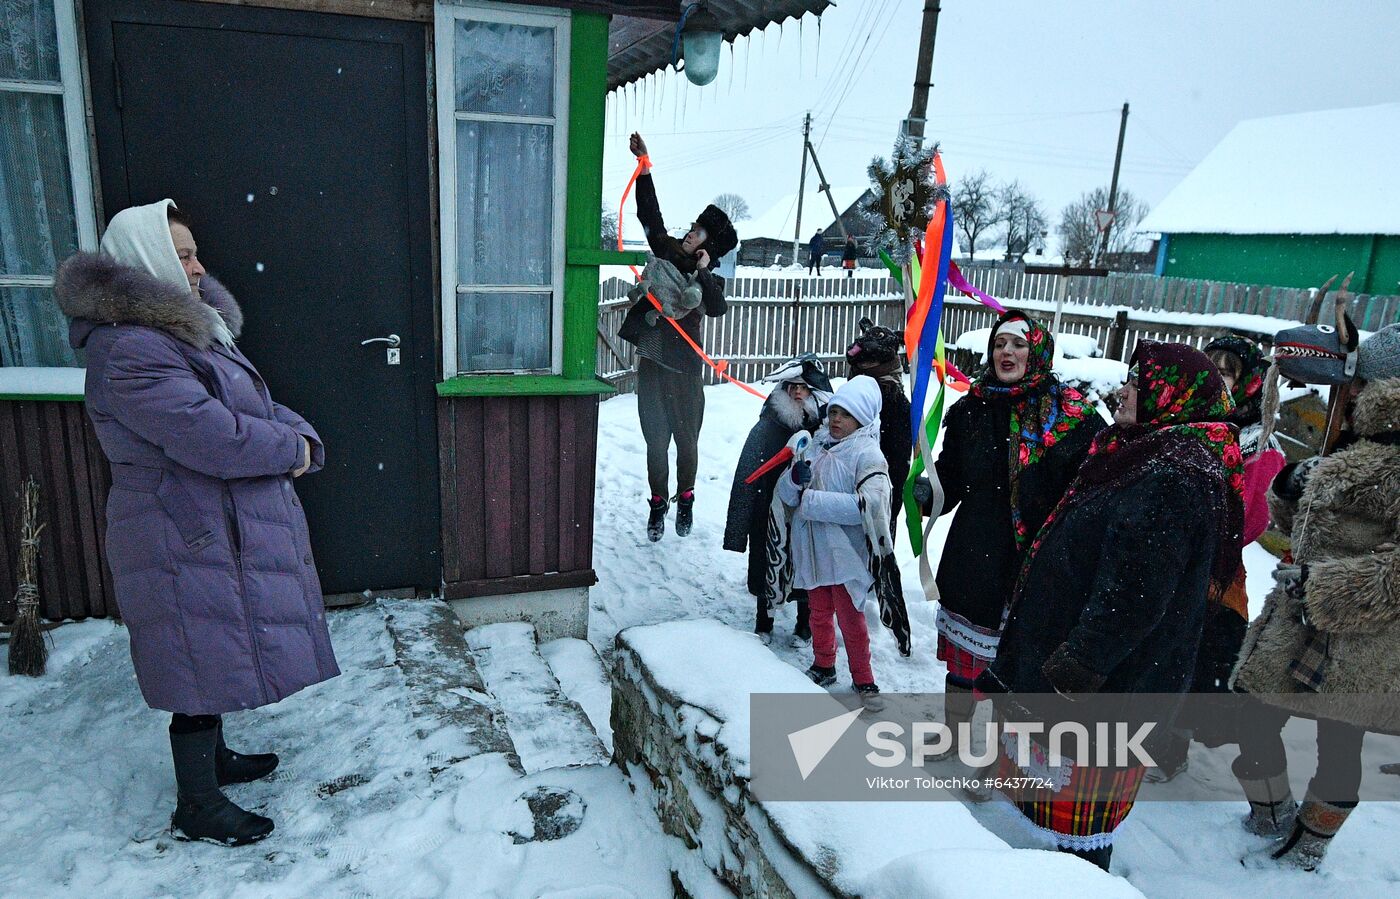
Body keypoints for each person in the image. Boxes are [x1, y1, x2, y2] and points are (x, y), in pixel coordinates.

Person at [55, 200, 338, 846]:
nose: (199, 267)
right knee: (191, 649)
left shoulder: (178, 332)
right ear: (147, 261)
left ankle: (214, 760)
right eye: (183, 255)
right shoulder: (129, 350)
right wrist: (290, 448)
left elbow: (251, 405)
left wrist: (298, 432)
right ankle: (198, 804)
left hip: (195, 523)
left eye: (194, 252)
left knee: (206, 644)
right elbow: (212, 436)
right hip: (176, 530)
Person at [977, 341, 1244, 872]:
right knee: (1060, 800)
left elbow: (1133, 596)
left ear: (1171, 398)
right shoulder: (1148, 449)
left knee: (1079, 815)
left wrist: (1077, 668)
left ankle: (1079, 882)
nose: (1122, 393)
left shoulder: (1174, 474)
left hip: (1107, 686)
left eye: (1137, 386)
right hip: (1101, 672)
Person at [1230, 324, 1400, 872]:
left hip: (1362, 635)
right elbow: (1305, 526)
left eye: (1359, 385)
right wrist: (1289, 490)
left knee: (1341, 743)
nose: (1345, 395)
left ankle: (1310, 844)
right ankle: (1272, 810)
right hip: (1300, 622)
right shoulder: (1351, 446)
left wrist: (1321, 584)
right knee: (1252, 720)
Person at [922, 311, 1103, 754]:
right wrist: (928, 492)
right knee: (964, 660)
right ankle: (955, 737)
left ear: (1037, 351)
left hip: (1037, 561)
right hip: (976, 549)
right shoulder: (971, 408)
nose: (1007, 352)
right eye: (1000, 344)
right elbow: (954, 478)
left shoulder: (1072, 416)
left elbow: (1092, 487)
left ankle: (999, 760)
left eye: (1018, 344)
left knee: (1017, 664)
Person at [1147, 335, 1287, 782]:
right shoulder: (1184, 419)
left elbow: (1251, 517)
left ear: (1248, 382)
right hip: (1166, 558)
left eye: (1228, 371)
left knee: (1192, 657)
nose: (1218, 378)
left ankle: (1171, 744)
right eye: (1212, 368)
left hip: (1214, 571)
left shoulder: (1257, 442)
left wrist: (1195, 535)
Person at [619, 133, 737, 542]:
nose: (691, 233)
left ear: (711, 248)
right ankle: (658, 504)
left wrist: (702, 270)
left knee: (686, 446)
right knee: (655, 443)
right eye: (694, 227)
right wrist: (644, 167)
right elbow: (650, 216)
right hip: (653, 364)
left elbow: (718, 306)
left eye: (701, 232)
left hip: (685, 373)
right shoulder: (666, 251)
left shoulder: (709, 280)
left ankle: (685, 498)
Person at [776, 376, 910, 708]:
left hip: (846, 555)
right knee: (818, 613)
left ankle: (864, 680)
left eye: (845, 414)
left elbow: (870, 507)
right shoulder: (815, 445)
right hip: (813, 551)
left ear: (862, 418)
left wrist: (811, 502)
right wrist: (794, 479)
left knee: (851, 619)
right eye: (833, 411)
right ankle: (824, 664)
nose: (836, 419)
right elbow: (785, 495)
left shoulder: (868, 455)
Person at [724, 355, 832, 646]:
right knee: (765, 564)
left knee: (805, 567)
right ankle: (764, 621)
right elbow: (745, 477)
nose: (798, 393)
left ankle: (804, 623)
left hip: (808, 511)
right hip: (766, 509)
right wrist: (738, 530)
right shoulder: (766, 428)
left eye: (804, 387)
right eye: (792, 386)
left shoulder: (824, 432)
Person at [845, 318, 913, 537]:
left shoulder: (895, 405)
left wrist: (889, 507)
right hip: (843, 501)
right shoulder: (849, 400)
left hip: (878, 501)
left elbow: (897, 465)